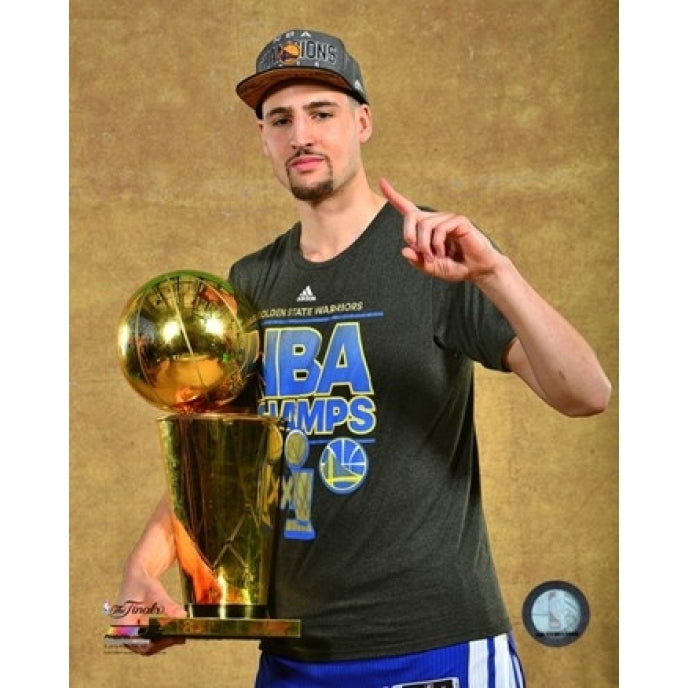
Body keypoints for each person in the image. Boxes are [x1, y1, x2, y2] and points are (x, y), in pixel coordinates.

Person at [112, 28, 612, 687]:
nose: (301, 136)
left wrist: (497, 275)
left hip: (435, 646)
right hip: (297, 658)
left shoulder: (437, 252)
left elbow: (587, 393)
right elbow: (212, 458)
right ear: (263, 138)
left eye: (322, 113)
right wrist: (142, 569)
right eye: (280, 120)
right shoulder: (252, 281)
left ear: (362, 123)